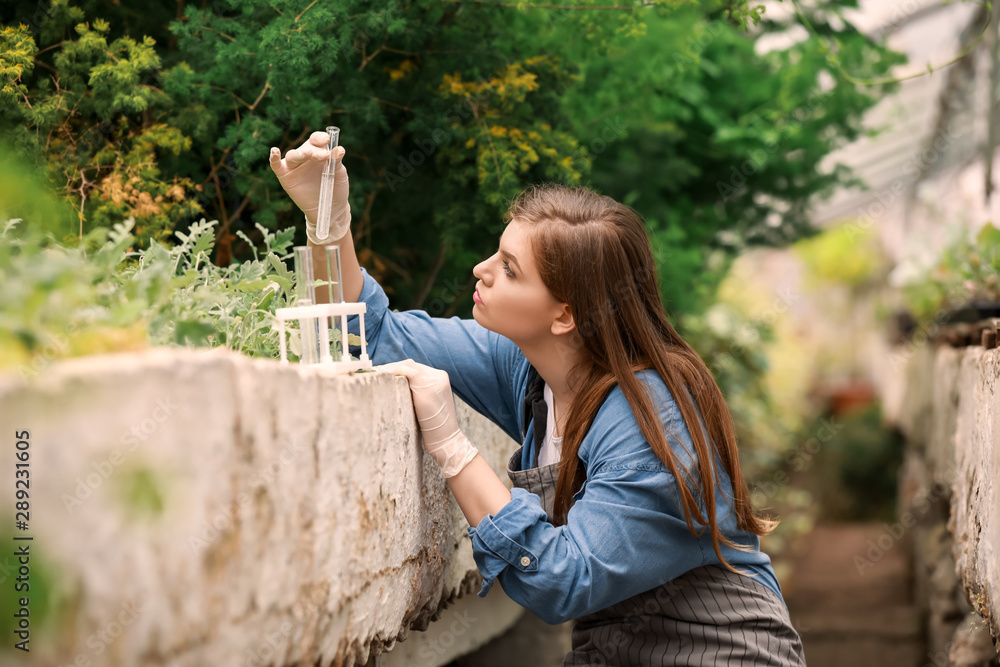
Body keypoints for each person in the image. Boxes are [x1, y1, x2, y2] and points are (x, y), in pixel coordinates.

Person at [270, 132, 807, 666]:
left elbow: (565, 582)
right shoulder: (532, 369)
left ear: (564, 315)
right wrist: (330, 220)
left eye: (509, 268)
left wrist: (453, 447)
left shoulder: (648, 423)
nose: (481, 270)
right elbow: (374, 332)